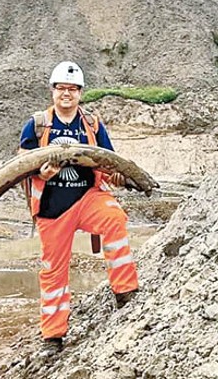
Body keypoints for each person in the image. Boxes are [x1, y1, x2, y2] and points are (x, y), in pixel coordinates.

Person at [19, 61, 139, 355]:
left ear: (80, 93)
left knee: (114, 218)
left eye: (72, 89)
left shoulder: (92, 125)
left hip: (87, 198)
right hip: (52, 208)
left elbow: (108, 162)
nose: (67, 94)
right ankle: (53, 336)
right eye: (61, 88)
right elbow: (20, 167)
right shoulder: (37, 125)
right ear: (52, 91)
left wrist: (120, 179)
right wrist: (41, 174)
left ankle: (125, 292)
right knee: (53, 271)